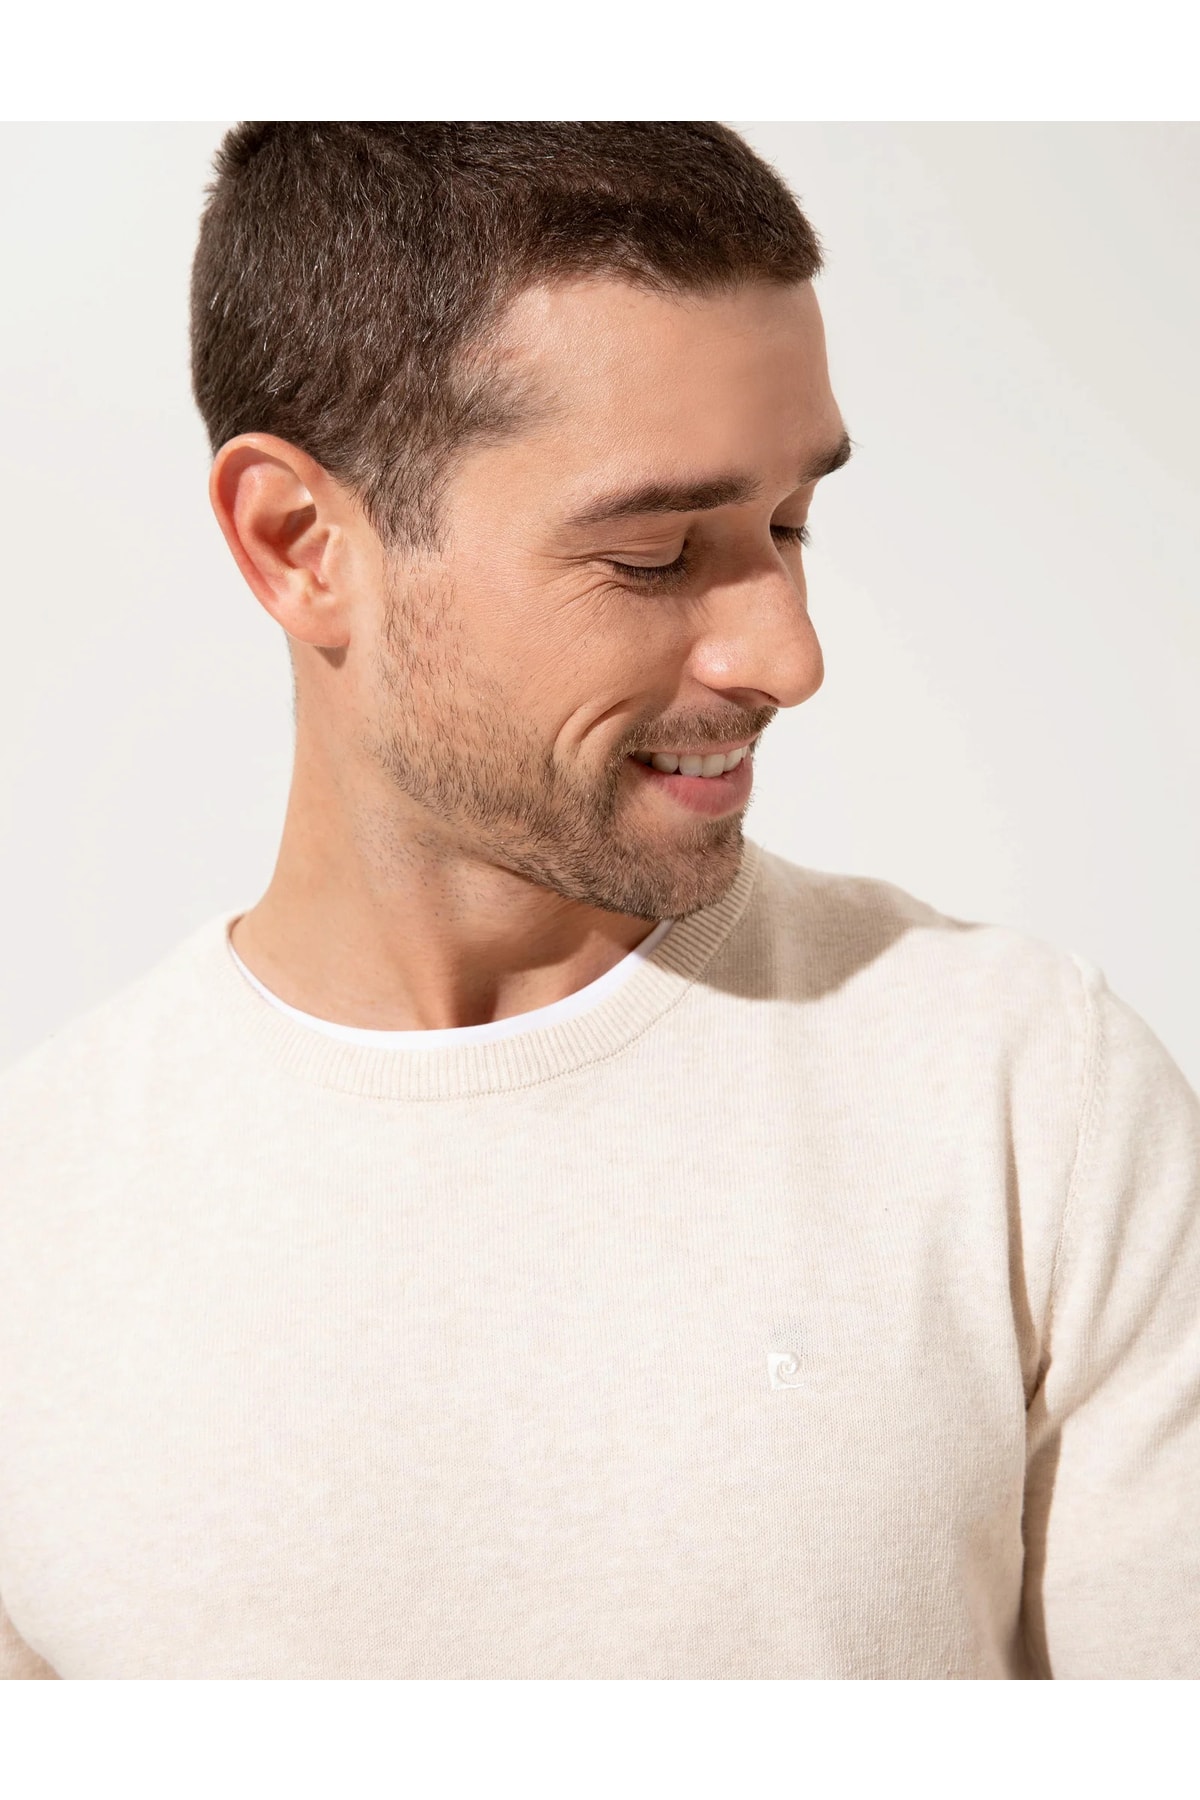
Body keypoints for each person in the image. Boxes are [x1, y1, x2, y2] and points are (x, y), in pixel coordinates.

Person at [1, 122, 1196, 1682]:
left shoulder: (1030, 1101)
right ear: (300, 546)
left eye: (790, 525)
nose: (789, 657)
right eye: (653, 555)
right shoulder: (38, 1224)